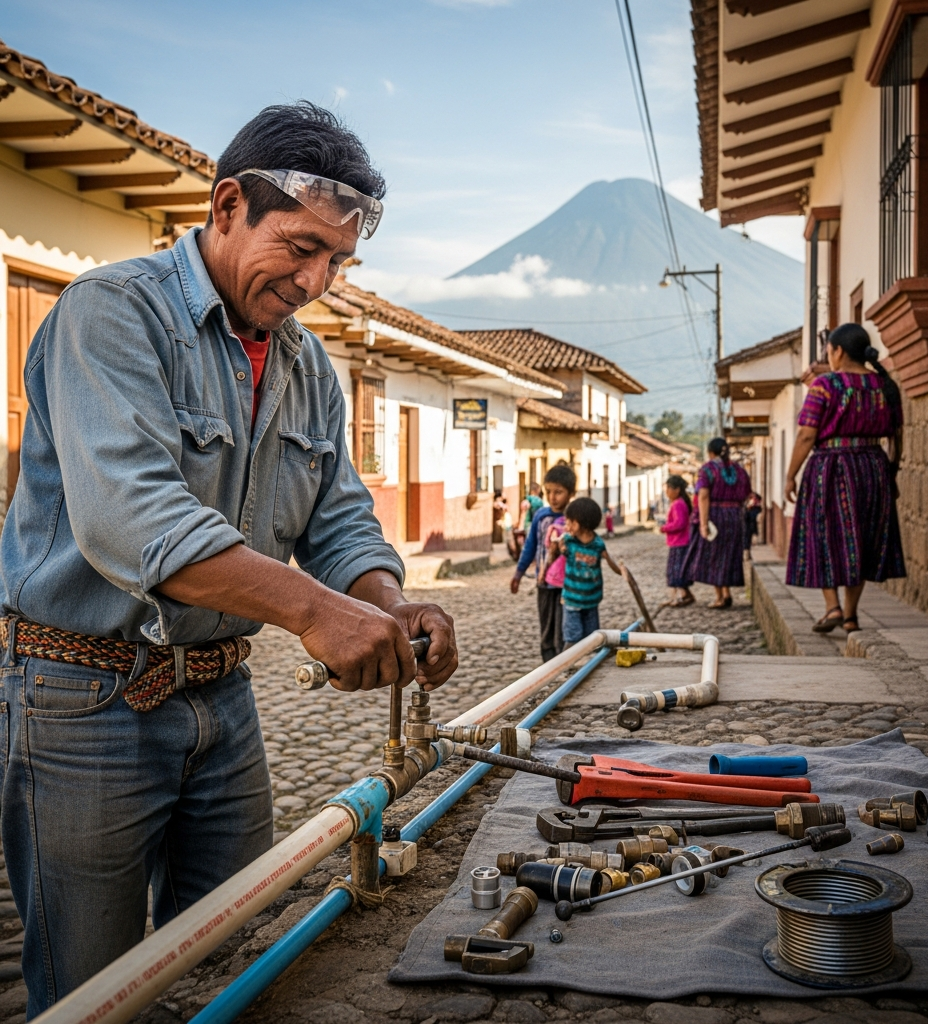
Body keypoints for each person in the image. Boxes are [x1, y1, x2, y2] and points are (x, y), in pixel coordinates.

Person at [0, 102, 459, 1017]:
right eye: (299, 247)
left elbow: (337, 515)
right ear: (224, 208)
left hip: (220, 694)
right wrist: (320, 614)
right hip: (81, 699)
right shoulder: (111, 314)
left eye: (337, 260)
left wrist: (384, 599)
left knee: (231, 953)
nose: (317, 280)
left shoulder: (305, 366)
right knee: (97, 992)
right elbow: (137, 522)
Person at [785, 322, 906, 633]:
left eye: (829, 350)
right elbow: (896, 435)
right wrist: (890, 472)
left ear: (837, 351)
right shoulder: (884, 386)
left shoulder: (825, 386)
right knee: (862, 539)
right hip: (873, 468)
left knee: (823, 535)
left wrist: (790, 476)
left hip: (830, 468)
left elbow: (806, 436)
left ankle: (833, 607)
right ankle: (851, 615)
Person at [510, 464, 577, 661]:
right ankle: (548, 664)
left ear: (571, 493)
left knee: (566, 626)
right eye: (549, 492)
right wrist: (518, 574)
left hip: (569, 584)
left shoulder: (574, 518)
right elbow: (530, 546)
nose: (553, 497)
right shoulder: (541, 516)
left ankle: (565, 660)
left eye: (559, 492)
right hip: (545, 583)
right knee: (547, 625)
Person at [678, 438, 751, 609]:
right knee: (729, 555)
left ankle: (720, 596)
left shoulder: (708, 469)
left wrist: (703, 524)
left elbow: (703, 496)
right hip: (735, 517)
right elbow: (747, 493)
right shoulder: (739, 469)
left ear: (711, 452)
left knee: (715, 556)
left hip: (715, 517)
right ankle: (727, 594)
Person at [550, 497, 623, 644]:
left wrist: (622, 571)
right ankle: (568, 666)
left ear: (579, 524)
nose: (566, 526)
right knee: (572, 639)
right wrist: (556, 547)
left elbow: (609, 561)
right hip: (571, 599)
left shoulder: (597, 544)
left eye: (569, 522)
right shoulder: (568, 541)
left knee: (593, 639)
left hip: (592, 600)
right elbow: (555, 555)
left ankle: (591, 666)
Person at [660, 474, 694, 606]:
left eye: (669, 488)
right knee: (676, 570)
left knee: (677, 571)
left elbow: (679, 523)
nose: (667, 491)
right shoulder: (678, 503)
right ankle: (679, 596)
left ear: (677, 489)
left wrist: (664, 528)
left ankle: (681, 596)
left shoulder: (678, 504)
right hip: (678, 542)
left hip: (680, 542)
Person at [744, 492, 763, 557]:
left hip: (750, 523)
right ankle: (746, 552)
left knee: (747, 536)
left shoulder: (755, 506)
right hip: (748, 523)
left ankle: (746, 552)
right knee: (747, 537)